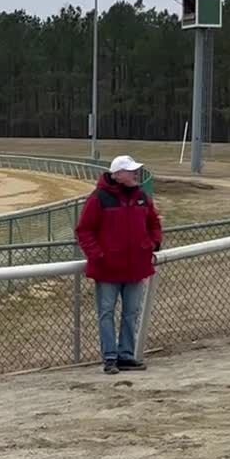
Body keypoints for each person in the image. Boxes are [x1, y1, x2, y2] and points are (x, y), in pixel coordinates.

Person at [75, 154, 163, 375]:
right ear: (118, 175)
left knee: (131, 313)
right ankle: (110, 357)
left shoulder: (142, 196)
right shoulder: (99, 198)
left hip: (136, 266)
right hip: (108, 268)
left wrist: (152, 244)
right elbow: (84, 230)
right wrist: (98, 255)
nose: (135, 173)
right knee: (107, 313)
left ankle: (126, 355)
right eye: (131, 170)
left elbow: (154, 222)